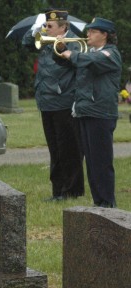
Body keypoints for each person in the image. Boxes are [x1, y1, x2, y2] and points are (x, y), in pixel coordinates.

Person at [22, 8, 84, 201]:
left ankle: (72, 191)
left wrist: (63, 47)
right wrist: (34, 30)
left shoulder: (73, 42)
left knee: (69, 149)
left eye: (50, 26)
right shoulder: (46, 40)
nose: (46, 29)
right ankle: (57, 191)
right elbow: (26, 44)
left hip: (64, 101)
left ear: (63, 26)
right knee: (54, 150)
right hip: (46, 101)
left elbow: (77, 65)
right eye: (46, 25)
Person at [59, 17, 122, 207]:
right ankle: (98, 203)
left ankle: (107, 204)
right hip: (85, 111)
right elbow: (69, 63)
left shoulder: (110, 54)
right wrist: (61, 50)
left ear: (105, 35)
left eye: (93, 31)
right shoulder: (89, 53)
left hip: (101, 114)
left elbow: (89, 60)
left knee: (101, 162)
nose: (88, 35)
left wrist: (71, 54)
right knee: (92, 163)